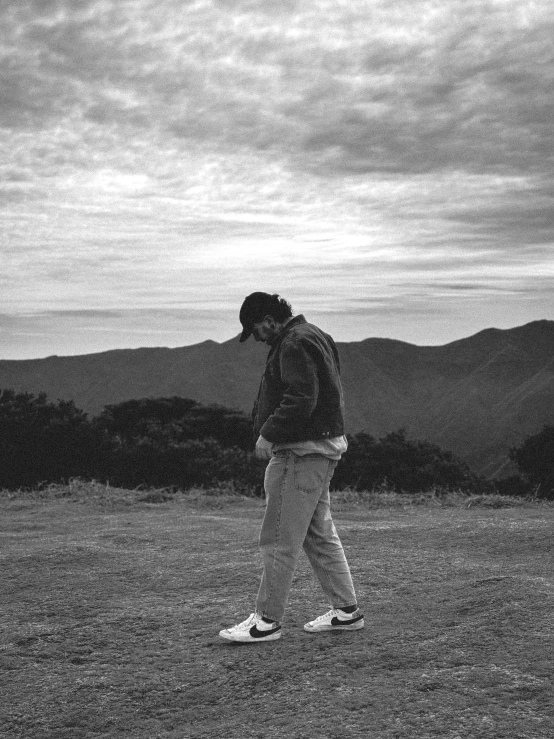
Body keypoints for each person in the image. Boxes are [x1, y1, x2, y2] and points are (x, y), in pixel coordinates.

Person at [219, 292, 363, 643]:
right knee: (318, 533)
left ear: (269, 318)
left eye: (255, 329)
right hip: (323, 448)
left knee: (279, 537)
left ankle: (265, 622)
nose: (256, 337)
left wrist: (269, 434)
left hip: (300, 452)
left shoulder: (293, 342)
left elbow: (302, 397)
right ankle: (346, 612)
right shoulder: (315, 334)